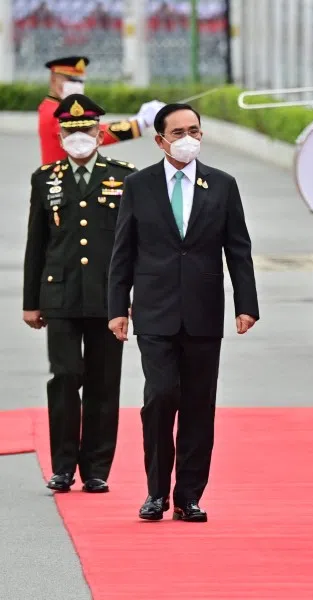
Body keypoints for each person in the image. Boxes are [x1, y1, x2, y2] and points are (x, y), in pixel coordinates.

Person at [107, 103, 259, 523]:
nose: (188, 138)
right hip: (154, 312)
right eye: (178, 132)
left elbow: (238, 248)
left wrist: (246, 304)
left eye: (194, 129)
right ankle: (156, 492)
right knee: (160, 397)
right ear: (160, 140)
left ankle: (189, 495)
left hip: (204, 312)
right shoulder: (139, 185)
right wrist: (117, 308)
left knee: (197, 404)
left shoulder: (222, 185)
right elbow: (123, 252)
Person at [22, 94, 137, 493]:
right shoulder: (46, 178)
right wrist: (30, 302)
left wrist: (134, 295)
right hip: (61, 297)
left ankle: (97, 468)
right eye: (70, 130)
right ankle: (63, 465)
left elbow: (136, 244)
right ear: (60, 133)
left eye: (86, 129)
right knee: (66, 377)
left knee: (105, 382)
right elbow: (36, 243)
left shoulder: (125, 176)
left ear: (100, 132)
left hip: (109, 299)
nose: (79, 137)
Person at [38, 56, 164, 164]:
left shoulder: (54, 106)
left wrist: (136, 120)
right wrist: (138, 123)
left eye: (80, 81)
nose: (77, 85)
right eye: (71, 80)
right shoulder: (54, 111)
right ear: (53, 79)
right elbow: (89, 132)